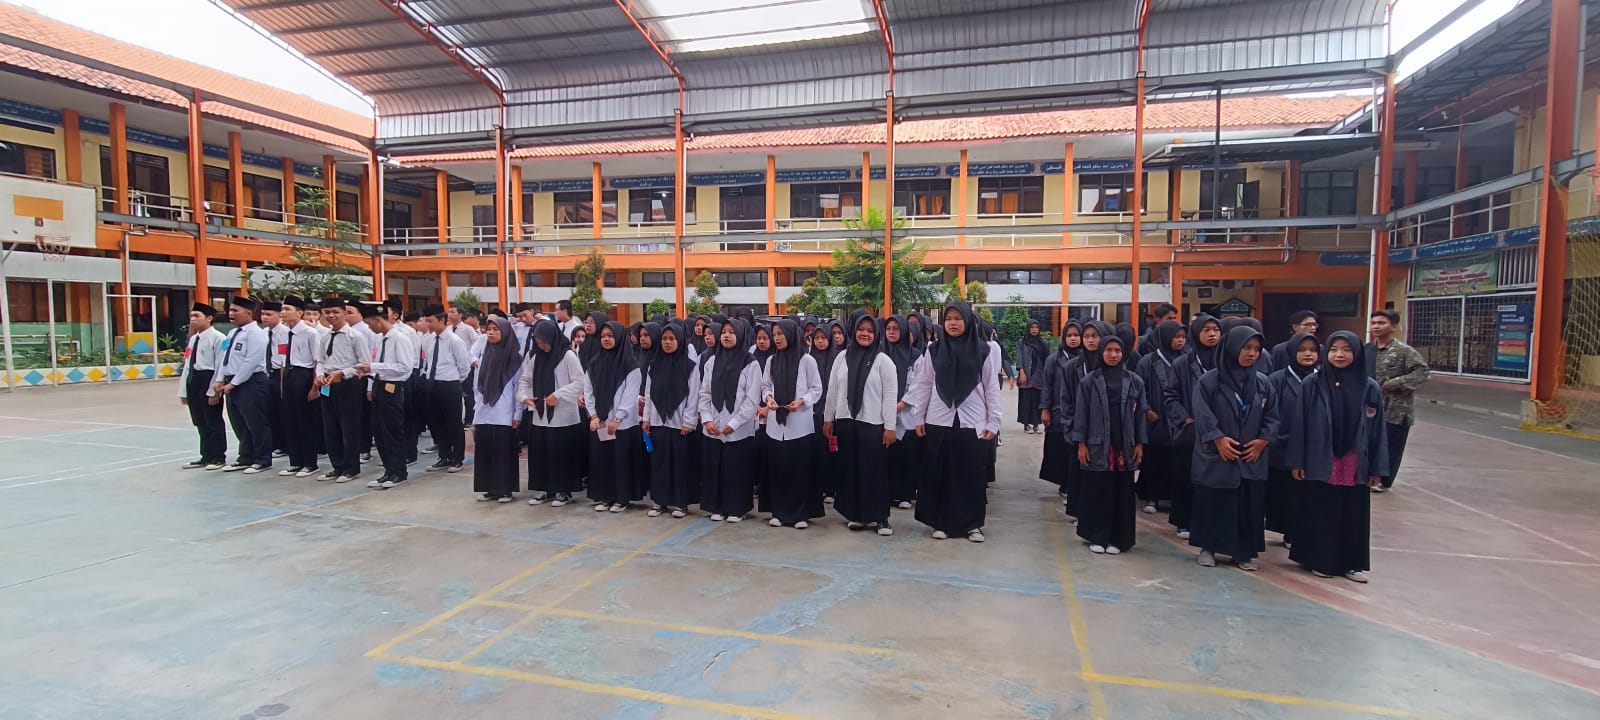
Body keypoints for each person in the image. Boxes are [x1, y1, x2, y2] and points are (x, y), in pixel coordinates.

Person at [1288, 331, 1388, 583]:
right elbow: (1299, 424)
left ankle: (1350, 564)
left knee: (1352, 513)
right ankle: (1319, 560)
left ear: (1358, 353)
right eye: (1333, 349)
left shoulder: (1369, 387)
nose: (1339, 355)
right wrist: (1297, 460)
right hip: (1321, 458)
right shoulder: (1313, 383)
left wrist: (1377, 467)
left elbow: (1378, 431)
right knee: (1321, 511)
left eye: (1346, 349)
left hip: (1355, 461)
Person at [906, 301, 1002, 542]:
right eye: (948, 318)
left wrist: (994, 422)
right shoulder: (934, 350)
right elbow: (925, 384)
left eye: (958, 318)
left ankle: (972, 525)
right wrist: (919, 416)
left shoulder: (984, 350)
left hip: (973, 422)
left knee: (970, 474)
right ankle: (941, 523)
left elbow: (991, 387)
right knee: (940, 472)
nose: (953, 323)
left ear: (968, 321)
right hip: (939, 420)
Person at [1188, 325, 1278, 571]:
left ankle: (1244, 552)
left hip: (1250, 456)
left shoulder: (1262, 383)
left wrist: (1263, 441)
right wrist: (1218, 439)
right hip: (1217, 455)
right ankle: (1208, 548)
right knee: (1213, 502)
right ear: (1231, 348)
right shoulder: (1210, 381)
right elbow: (1202, 413)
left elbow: (1272, 416)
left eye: (1256, 349)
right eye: (1246, 348)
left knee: (1247, 505)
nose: (1252, 354)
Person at [1070, 332, 1147, 555]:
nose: (1113, 355)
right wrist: (1081, 444)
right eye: (1109, 350)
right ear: (1101, 352)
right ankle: (1097, 536)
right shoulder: (1089, 381)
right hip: (1098, 444)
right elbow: (1081, 415)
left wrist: (1140, 443)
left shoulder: (1135, 381)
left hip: (1125, 445)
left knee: (1122, 492)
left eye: (1118, 351)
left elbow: (1141, 414)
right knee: (1098, 490)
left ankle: (1118, 538)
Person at [824, 313, 898, 536]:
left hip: (873, 424)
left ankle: (881, 518)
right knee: (851, 471)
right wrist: (828, 418)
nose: (865, 334)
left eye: (870, 330)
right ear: (853, 331)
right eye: (861, 329)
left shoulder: (883, 361)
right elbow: (832, 390)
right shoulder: (842, 358)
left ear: (876, 334)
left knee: (874, 472)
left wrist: (890, 427)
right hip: (846, 422)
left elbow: (890, 395)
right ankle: (856, 514)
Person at [1162, 314, 1221, 539]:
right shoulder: (1183, 363)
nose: (1212, 334)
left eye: (1216, 329)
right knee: (1186, 476)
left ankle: (1208, 522)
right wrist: (1186, 419)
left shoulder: (1225, 361)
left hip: (1219, 432)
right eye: (1206, 330)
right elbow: (1171, 395)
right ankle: (1184, 521)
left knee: (1212, 480)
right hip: (1190, 431)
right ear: (1196, 333)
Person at [760, 319, 823, 529]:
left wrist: (802, 401)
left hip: (800, 425)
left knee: (799, 471)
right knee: (779, 469)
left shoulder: (807, 360)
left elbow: (816, 388)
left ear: (791, 335)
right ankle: (779, 512)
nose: (777, 338)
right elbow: (765, 385)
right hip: (776, 425)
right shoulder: (771, 361)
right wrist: (769, 398)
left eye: (780, 334)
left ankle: (800, 514)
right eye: (774, 334)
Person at [698, 318, 761, 522]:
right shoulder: (712, 361)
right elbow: (704, 393)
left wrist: (733, 424)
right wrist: (707, 420)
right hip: (714, 426)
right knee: (714, 468)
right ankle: (717, 506)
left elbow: (751, 399)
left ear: (740, 335)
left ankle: (737, 508)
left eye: (732, 332)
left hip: (739, 429)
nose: (726, 335)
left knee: (736, 469)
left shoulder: (750, 363)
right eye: (724, 331)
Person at [519, 320, 585, 506]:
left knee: (560, 454)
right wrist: (524, 397)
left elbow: (580, 382)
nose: (542, 346)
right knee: (541, 454)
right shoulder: (536, 357)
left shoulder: (567, 356)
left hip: (563, 416)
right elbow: (524, 380)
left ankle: (564, 491)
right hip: (540, 414)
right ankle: (545, 489)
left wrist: (558, 395)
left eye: (544, 342)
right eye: (538, 343)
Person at [1265, 332, 1320, 547]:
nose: (1308, 354)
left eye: (1313, 350)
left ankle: (1299, 532)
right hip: (1281, 445)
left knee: (1307, 493)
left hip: (1313, 446)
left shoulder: (1322, 378)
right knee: (1283, 492)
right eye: (1302, 349)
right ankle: (1286, 530)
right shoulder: (1277, 379)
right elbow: (1269, 413)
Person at [1365, 309, 1428, 493]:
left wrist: (1394, 384)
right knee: (1369, 443)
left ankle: (1384, 481)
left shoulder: (1404, 351)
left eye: (1381, 323)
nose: (1376, 326)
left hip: (1396, 410)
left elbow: (1422, 373)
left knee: (1391, 447)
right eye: (1374, 323)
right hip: (1370, 408)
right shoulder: (1367, 350)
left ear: (1393, 326)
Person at [584, 321, 644, 512]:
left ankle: (622, 498)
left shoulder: (630, 365)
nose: (606, 339)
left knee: (621, 461)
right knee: (603, 459)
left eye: (610, 336)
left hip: (623, 424)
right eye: (603, 336)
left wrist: (617, 418)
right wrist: (593, 415)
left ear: (619, 337)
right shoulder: (594, 363)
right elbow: (588, 391)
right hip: (601, 421)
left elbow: (630, 395)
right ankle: (606, 496)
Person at [642, 321, 699, 518]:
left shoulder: (690, 366)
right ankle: (660, 501)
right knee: (660, 463)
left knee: (680, 464)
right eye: (664, 339)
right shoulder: (654, 364)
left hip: (680, 423)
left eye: (672, 339)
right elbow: (648, 393)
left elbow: (694, 395)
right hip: (658, 421)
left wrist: (689, 421)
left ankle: (681, 503)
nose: (667, 343)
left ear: (680, 340)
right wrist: (646, 418)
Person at [359, 301, 416, 490]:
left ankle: (399, 472)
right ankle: (388, 471)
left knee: (392, 432)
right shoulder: (379, 339)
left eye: (369, 324)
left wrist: (374, 367)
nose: (369, 328)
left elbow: (405, 368)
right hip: (378, 385)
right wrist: (370, 379)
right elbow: (374, 363)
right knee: (379, 431)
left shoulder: (400, 338)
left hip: (393, 387)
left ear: (378, 320)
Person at [312, 299, 369, 483]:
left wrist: (343, 373)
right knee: (330, 427)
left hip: (348, 384)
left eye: (335, 312)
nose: (331, 315)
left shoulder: (355, 336)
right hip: (328, 383)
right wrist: (319, 375)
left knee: (349, 427)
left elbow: (363, 364)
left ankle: (351, 468)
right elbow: (320, 360)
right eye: (327, 312)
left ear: (344, 313)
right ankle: (337, 465)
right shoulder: (325, 337)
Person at [216, 296, 273, 474]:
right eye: (230, 310)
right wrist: (220, 379)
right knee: (239, 422)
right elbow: (224, 359)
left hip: (251, 382)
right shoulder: (232, 333)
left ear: (249, 313)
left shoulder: (256, 334)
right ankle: (245, 457)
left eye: (235, 310)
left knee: (256, 422)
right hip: (232, 381)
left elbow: (251, 361)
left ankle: (262, 459)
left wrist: (234, 383)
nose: (231, 314)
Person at [1133, 320, 1184, 514]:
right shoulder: (1148, 361)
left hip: (1178, 419)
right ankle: (1151, 497)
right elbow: (1139, 389)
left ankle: (1170, 497)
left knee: (1175, 460)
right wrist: (1147, 410)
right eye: (1176, 337)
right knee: (1155, 459)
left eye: (1183, 337)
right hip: (1156, 418)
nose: (1180, 341)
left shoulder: (1185, 360)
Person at [471, 316, 523, 502]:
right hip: (484, 410)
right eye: (489, 329)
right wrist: (476, 409)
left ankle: (505, 489)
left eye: (495, 329)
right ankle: (489, 488)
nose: (491, 333)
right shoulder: (485, 355)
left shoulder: (514, 359)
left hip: (504, 412)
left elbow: (518, 388)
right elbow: (477, 386)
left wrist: (517, 413)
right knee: (485, 450)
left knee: (503, 451)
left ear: (505, 332)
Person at [419, 306, 471, 473]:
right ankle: (444, 456)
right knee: (436, 423)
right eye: (426, 321)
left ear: (442, 320)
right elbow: (427, 361)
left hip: (449, 385)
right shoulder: (427, 340)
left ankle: (457, 458)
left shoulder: (455, 341)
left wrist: (454, 381)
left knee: (454, 423)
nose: (428, 324)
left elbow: (464, 366)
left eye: (430, 321)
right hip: (431, 384)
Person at [275, 296, 321, 478]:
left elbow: (317, 361)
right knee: (290, 420)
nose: (283, 312)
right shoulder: (284, 333)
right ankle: (296, 461)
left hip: (304, 375)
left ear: (300, 313)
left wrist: (314, 387)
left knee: (305, 420)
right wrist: (282, 384)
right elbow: (282, 360)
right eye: (282, 309)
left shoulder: (310, 333)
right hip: (289, 375)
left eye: (287, 309)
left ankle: (310, 463)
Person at [178, 302, 227, 470]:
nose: (193, 319)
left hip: (209, 378)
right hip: (194, 379)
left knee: (213, 420)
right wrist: (183, 390)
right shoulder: (193, 339)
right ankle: (206, 455)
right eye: (191, 316)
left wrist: (215, 390)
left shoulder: (219, 338)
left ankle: (218, 456)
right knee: (199, 420)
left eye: (197, 316)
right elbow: (187, 364)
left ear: (209, 318)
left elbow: (220, 365)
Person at [1038, 319, 1081, 501]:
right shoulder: (1053, 360)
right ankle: (1064, 483)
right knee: (1060, 450)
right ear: (1064, 337)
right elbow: (1047, 386)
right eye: (1069, 335)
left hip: (1079, 413)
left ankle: (1074, 484)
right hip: (1058, 411)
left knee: (1076, 449)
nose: (1073, 339)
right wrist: (1045, 409)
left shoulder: (1087, 359)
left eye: (1076, 335)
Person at [882, 314, 923, 509]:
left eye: (896, 329)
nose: (891, 332)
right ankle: (886, 494)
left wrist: (900, 404)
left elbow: (919, 384)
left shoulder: (915, 356)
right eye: (888, 328)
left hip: (906, 413)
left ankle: (904, 494)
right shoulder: (878, 353)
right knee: (885, 457)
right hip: (881, 413)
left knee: (905, 456)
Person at [809, 321, 843, 505]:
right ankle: (818, 487)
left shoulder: (838, 358)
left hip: (832, 414)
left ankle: (832, 488)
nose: (820, 341)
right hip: (813, 412)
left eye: (823, 338)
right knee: (816, 451)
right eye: (817, 338)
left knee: (832, 451)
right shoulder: (809, 359)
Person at [1015, 319, 1048, 433]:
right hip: (1026, 374)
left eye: (1036, 327)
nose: (1034, 330)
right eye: (1032, 327)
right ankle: (1026, 425)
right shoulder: (1022, 342)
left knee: (1036, 400)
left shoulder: (1043, 343)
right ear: (1028, 329)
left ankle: (1036, 425)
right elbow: (1019, 357)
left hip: (1038, 376)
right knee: (1025, 400)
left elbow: (1046, 360)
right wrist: (1021, 371)